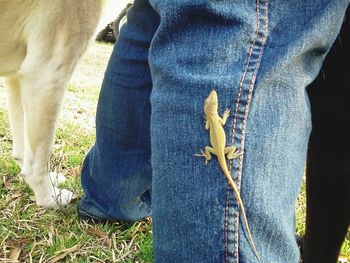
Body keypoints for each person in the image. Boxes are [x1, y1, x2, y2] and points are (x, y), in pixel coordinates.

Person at [76, 0, 350, 262]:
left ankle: (110, 198)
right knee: (235, 16)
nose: (214, 101)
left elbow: (215, 120)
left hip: (216, 150)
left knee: (150, 17)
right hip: (220, 151)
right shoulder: (212, 116)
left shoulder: (211, 117)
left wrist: (217, 131)